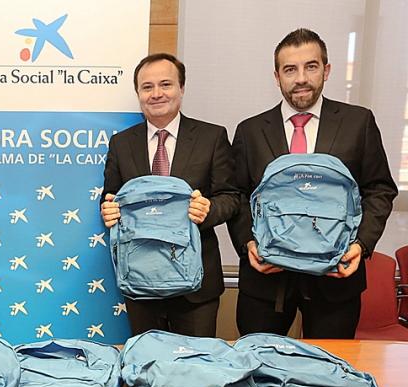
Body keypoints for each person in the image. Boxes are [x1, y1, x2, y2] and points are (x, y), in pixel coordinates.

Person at [228, 28, 398, 338]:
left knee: (329, 365)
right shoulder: (250, 131)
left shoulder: (358, 122)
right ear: (277, 77)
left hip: (336, 277)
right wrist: (248, 243)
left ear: (326, 70)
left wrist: (360, 245)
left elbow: (379, 189)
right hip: (266, 279)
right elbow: (237, 195)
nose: (301, 78)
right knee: (259, 365)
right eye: (290, 69)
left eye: (311, 66)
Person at [101, 53, 239, 337]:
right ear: (138, 93)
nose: (156, 94)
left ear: (181, 88)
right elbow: (110, 196)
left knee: (196, 363)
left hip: (196, 289)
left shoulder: (212, 137)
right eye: (147, 87)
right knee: (146, 362)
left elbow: (231, 197)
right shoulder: (121, 143)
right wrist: (107, 209)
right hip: (140, 281)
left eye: (165, 84)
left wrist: (207, 209)